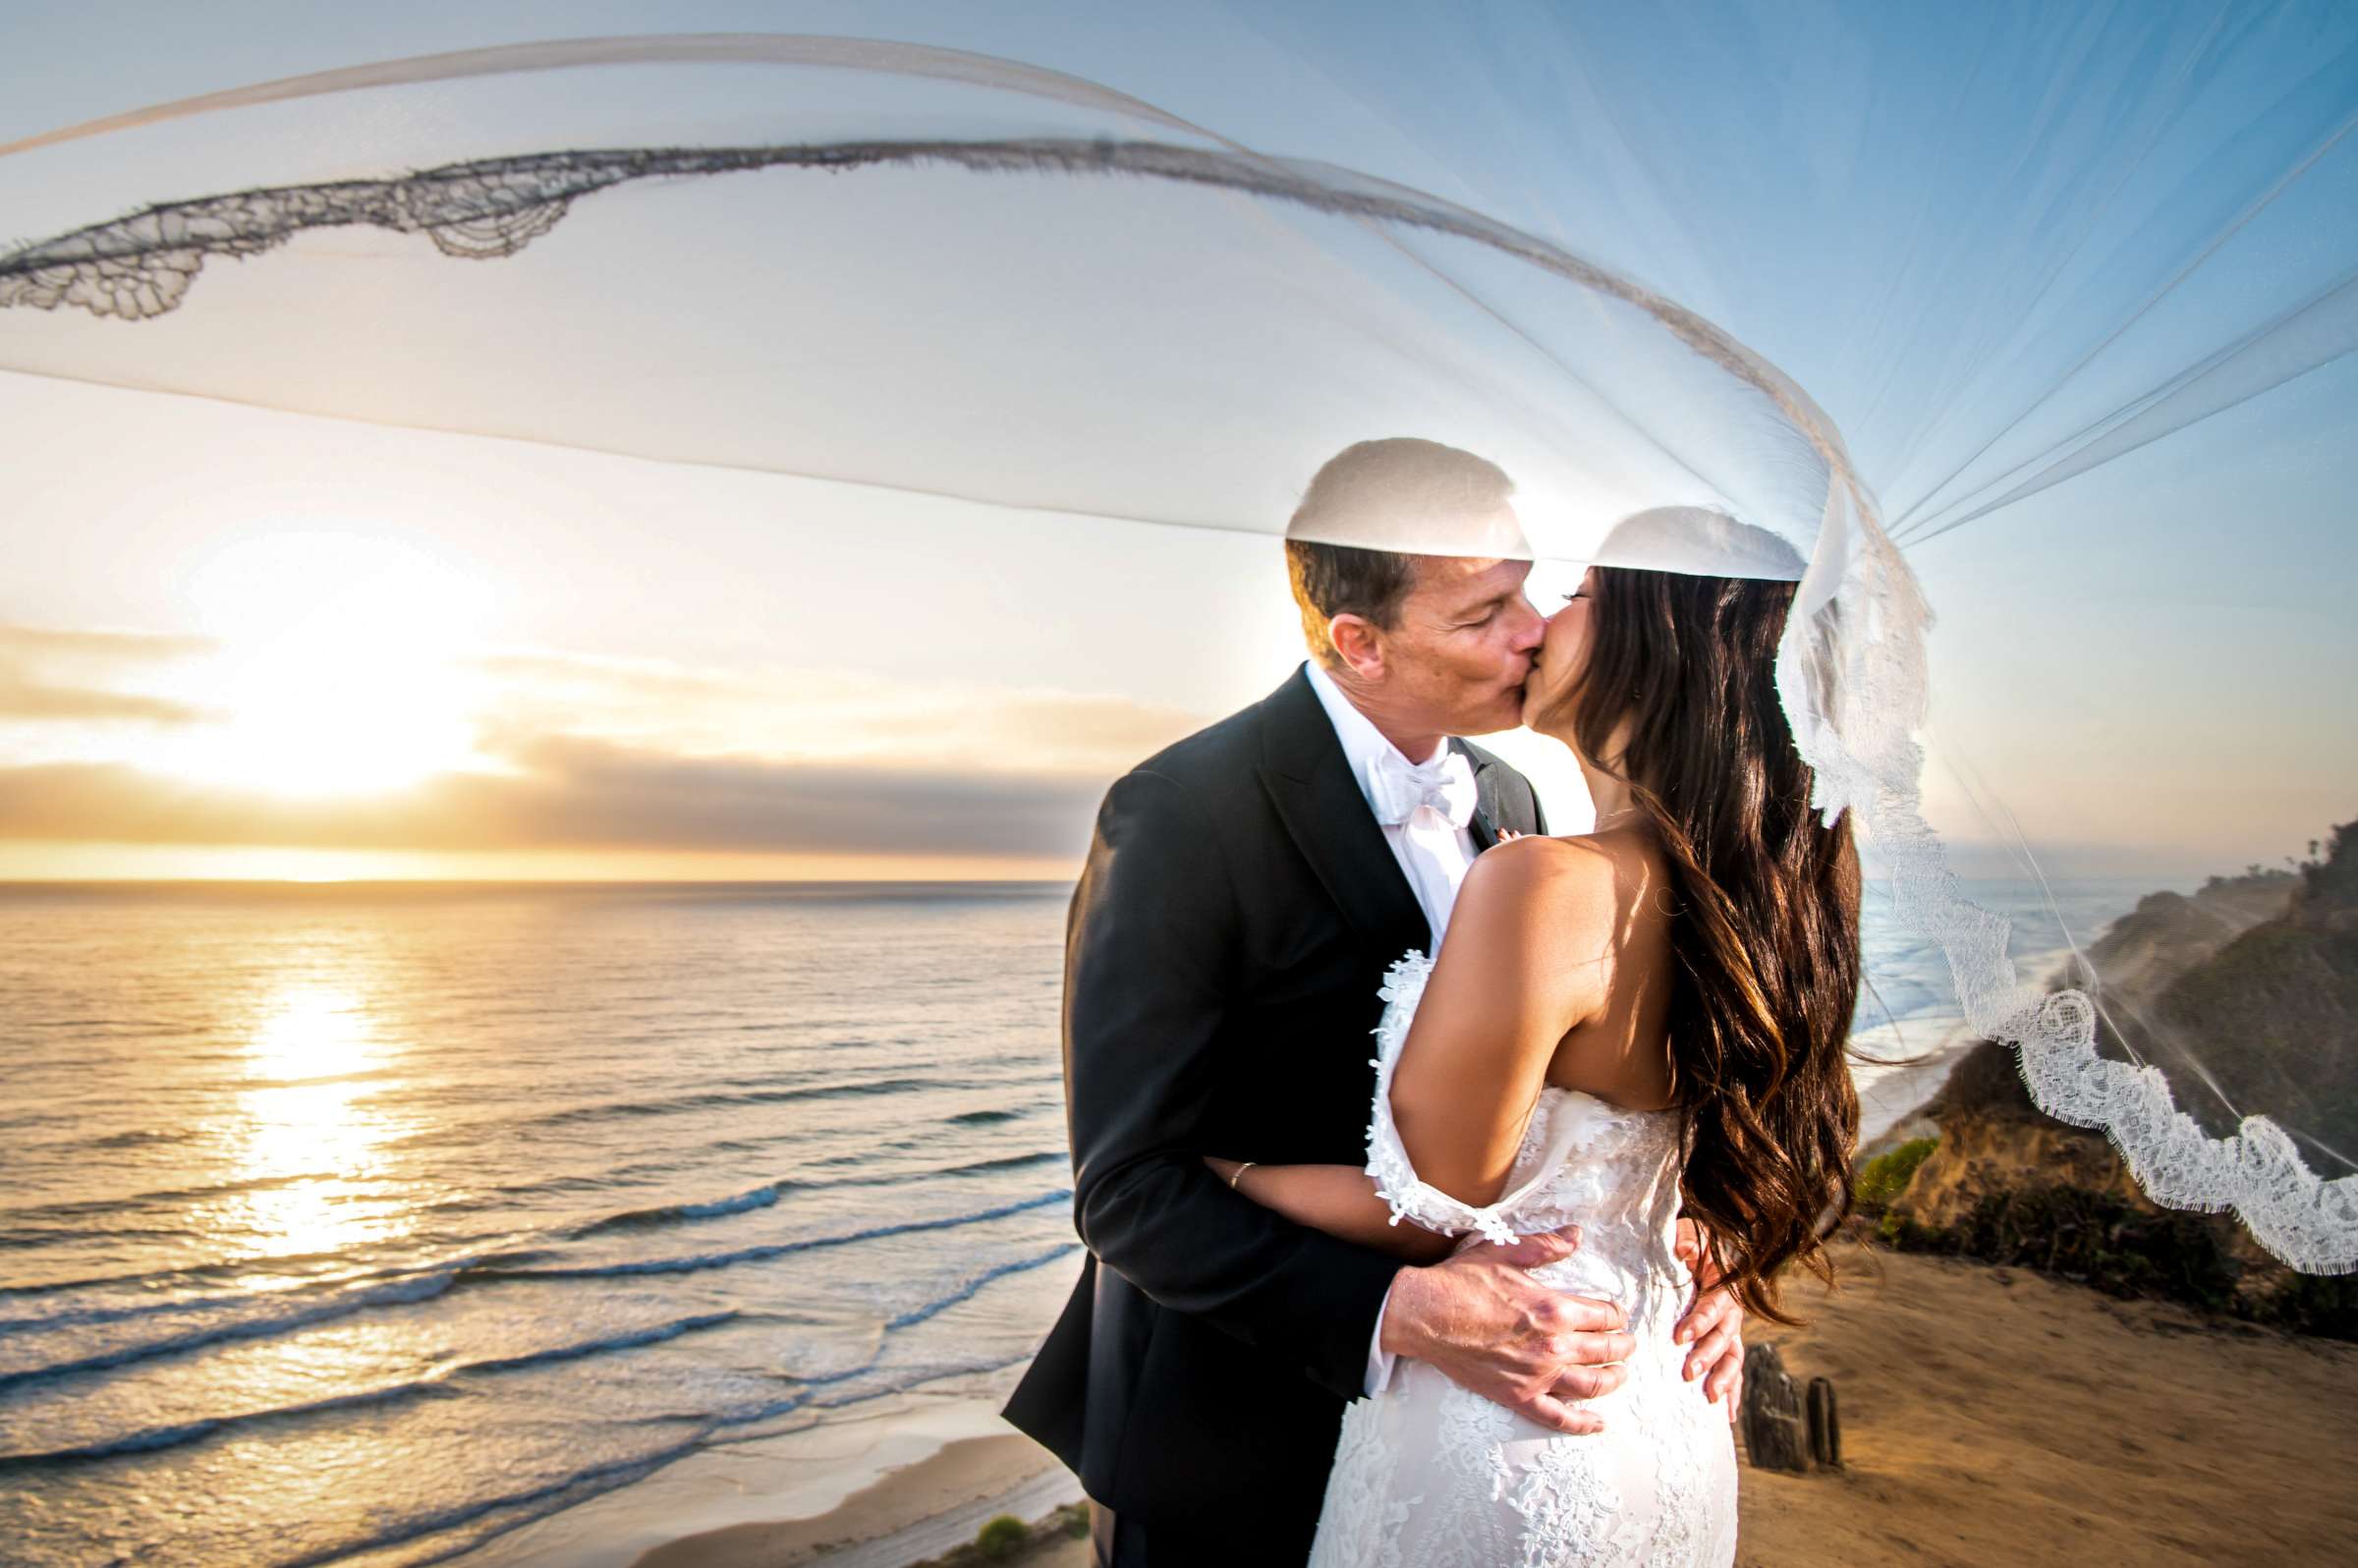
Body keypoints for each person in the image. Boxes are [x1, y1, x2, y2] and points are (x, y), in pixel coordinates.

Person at [1000, 440, 1748, 1567]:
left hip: (1474, 1441)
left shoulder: (1514, 796)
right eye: (1486, 611)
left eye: (1533, 590)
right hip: (1229, 1434)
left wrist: (1683, 1246)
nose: (1533, 630)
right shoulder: (1180, 813)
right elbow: (1129, 1190)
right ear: (1360, 642)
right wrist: (1393, 1311)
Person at [1211, 509, 1865, 1563]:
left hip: (1521, 1412)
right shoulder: (1794, 878)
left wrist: (1222, 1167)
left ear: (1663, 646)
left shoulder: (1546, 880)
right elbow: (1741, 1123)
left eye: (1580, 594)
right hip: (1665, 1393)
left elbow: (1431, 1203)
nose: (1540, 620)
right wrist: (1718, 1260)